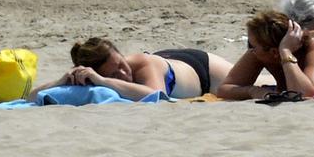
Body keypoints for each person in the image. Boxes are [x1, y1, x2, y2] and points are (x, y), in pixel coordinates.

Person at [29, 37, 233, 101]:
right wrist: (61, 80)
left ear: (120, 54)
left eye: (121, 64)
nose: (124, 74)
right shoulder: (89, 73)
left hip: (202, 68)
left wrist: (105, 81)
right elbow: (32, 97)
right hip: (175, 63)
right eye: (114, 73)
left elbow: (156, 94)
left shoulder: (144, 64)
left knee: (255, 82)